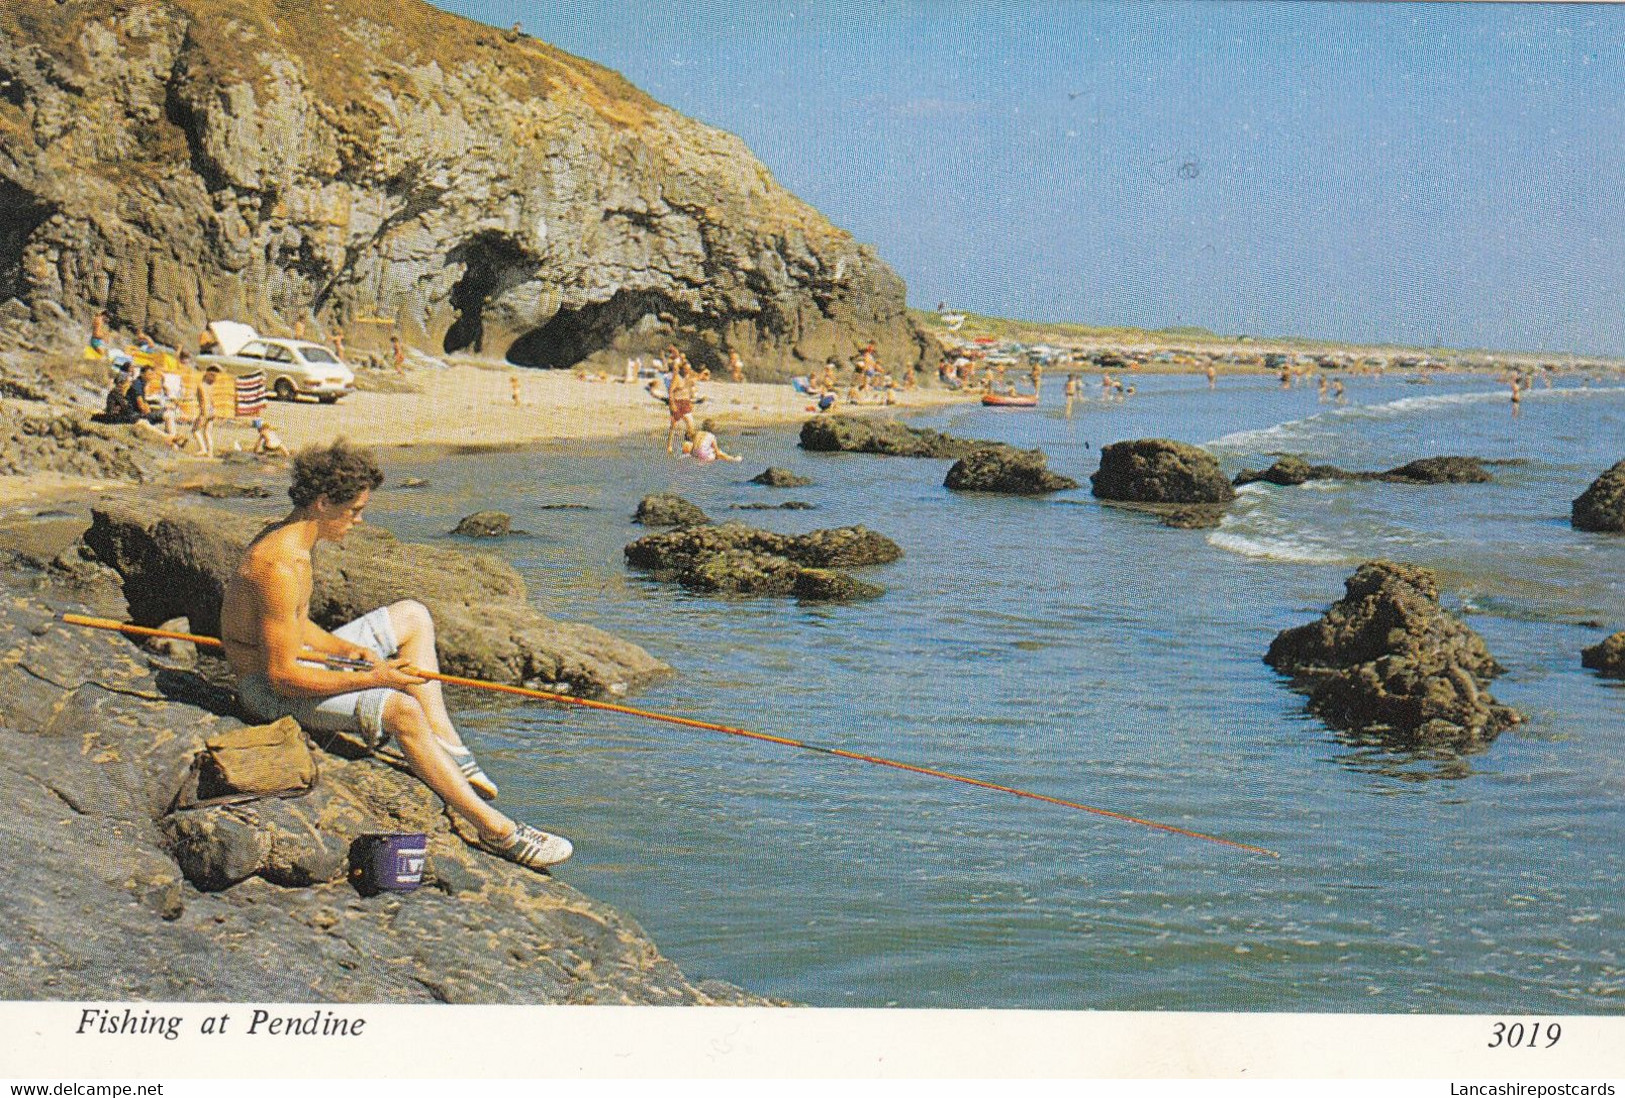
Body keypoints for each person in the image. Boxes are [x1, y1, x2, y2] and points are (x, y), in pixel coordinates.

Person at [218, 441, 572, 871]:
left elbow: (293, 625)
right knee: (402, 709)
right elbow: (282, 675)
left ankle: (450, 749)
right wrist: (379, 676)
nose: (359, 520)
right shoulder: (279, 565)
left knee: (413, 616)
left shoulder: (294, 540)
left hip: (294, 666)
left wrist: (345, 649)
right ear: (323, 502)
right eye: (354, 510)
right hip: (266, 692)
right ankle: (497, 831)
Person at [190, 362, 221, 457]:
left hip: (205, 411)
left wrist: (203, 414)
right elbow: (212, 401)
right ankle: (210, 452)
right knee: (207, 432)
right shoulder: (211, 386)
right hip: (212, 410)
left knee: (195, 430)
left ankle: (203, 449)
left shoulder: (201, 386)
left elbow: (204, 401)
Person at [665, 362, 696, 454]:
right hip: (677, 402)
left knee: (691, 425)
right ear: (682, 369)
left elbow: (689, 390)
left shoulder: (689, 378)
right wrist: (672, 404)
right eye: (686, 369)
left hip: (685, 402)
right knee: (673, 425)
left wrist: (690, 401)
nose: (688, 371)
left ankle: (688, 445)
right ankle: (669, 446)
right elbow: (670, 391)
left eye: (689, 369)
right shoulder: (677, 377)